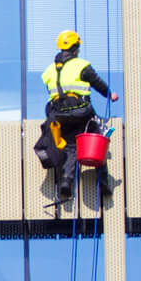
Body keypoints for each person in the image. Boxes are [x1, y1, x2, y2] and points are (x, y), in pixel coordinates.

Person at [34, 30, 114, 203]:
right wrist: (110, 94)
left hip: (59, 115)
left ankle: (66, 182)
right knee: (97, 139)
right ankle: (104, 184)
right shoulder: (81, 65)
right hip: (81, 111)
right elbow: (97, 82)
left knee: (71, 146)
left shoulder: (49, 71)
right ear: (75, 47)